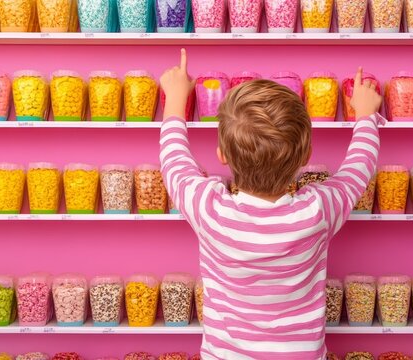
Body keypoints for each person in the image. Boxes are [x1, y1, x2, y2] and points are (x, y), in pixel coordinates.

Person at [160, 49, 383, 360]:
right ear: (305, 159)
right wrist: (365, 115)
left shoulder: (209, 209)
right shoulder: (316, 211)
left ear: (222, 155)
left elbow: (174, 163)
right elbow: (358, 168)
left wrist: (174, 99)